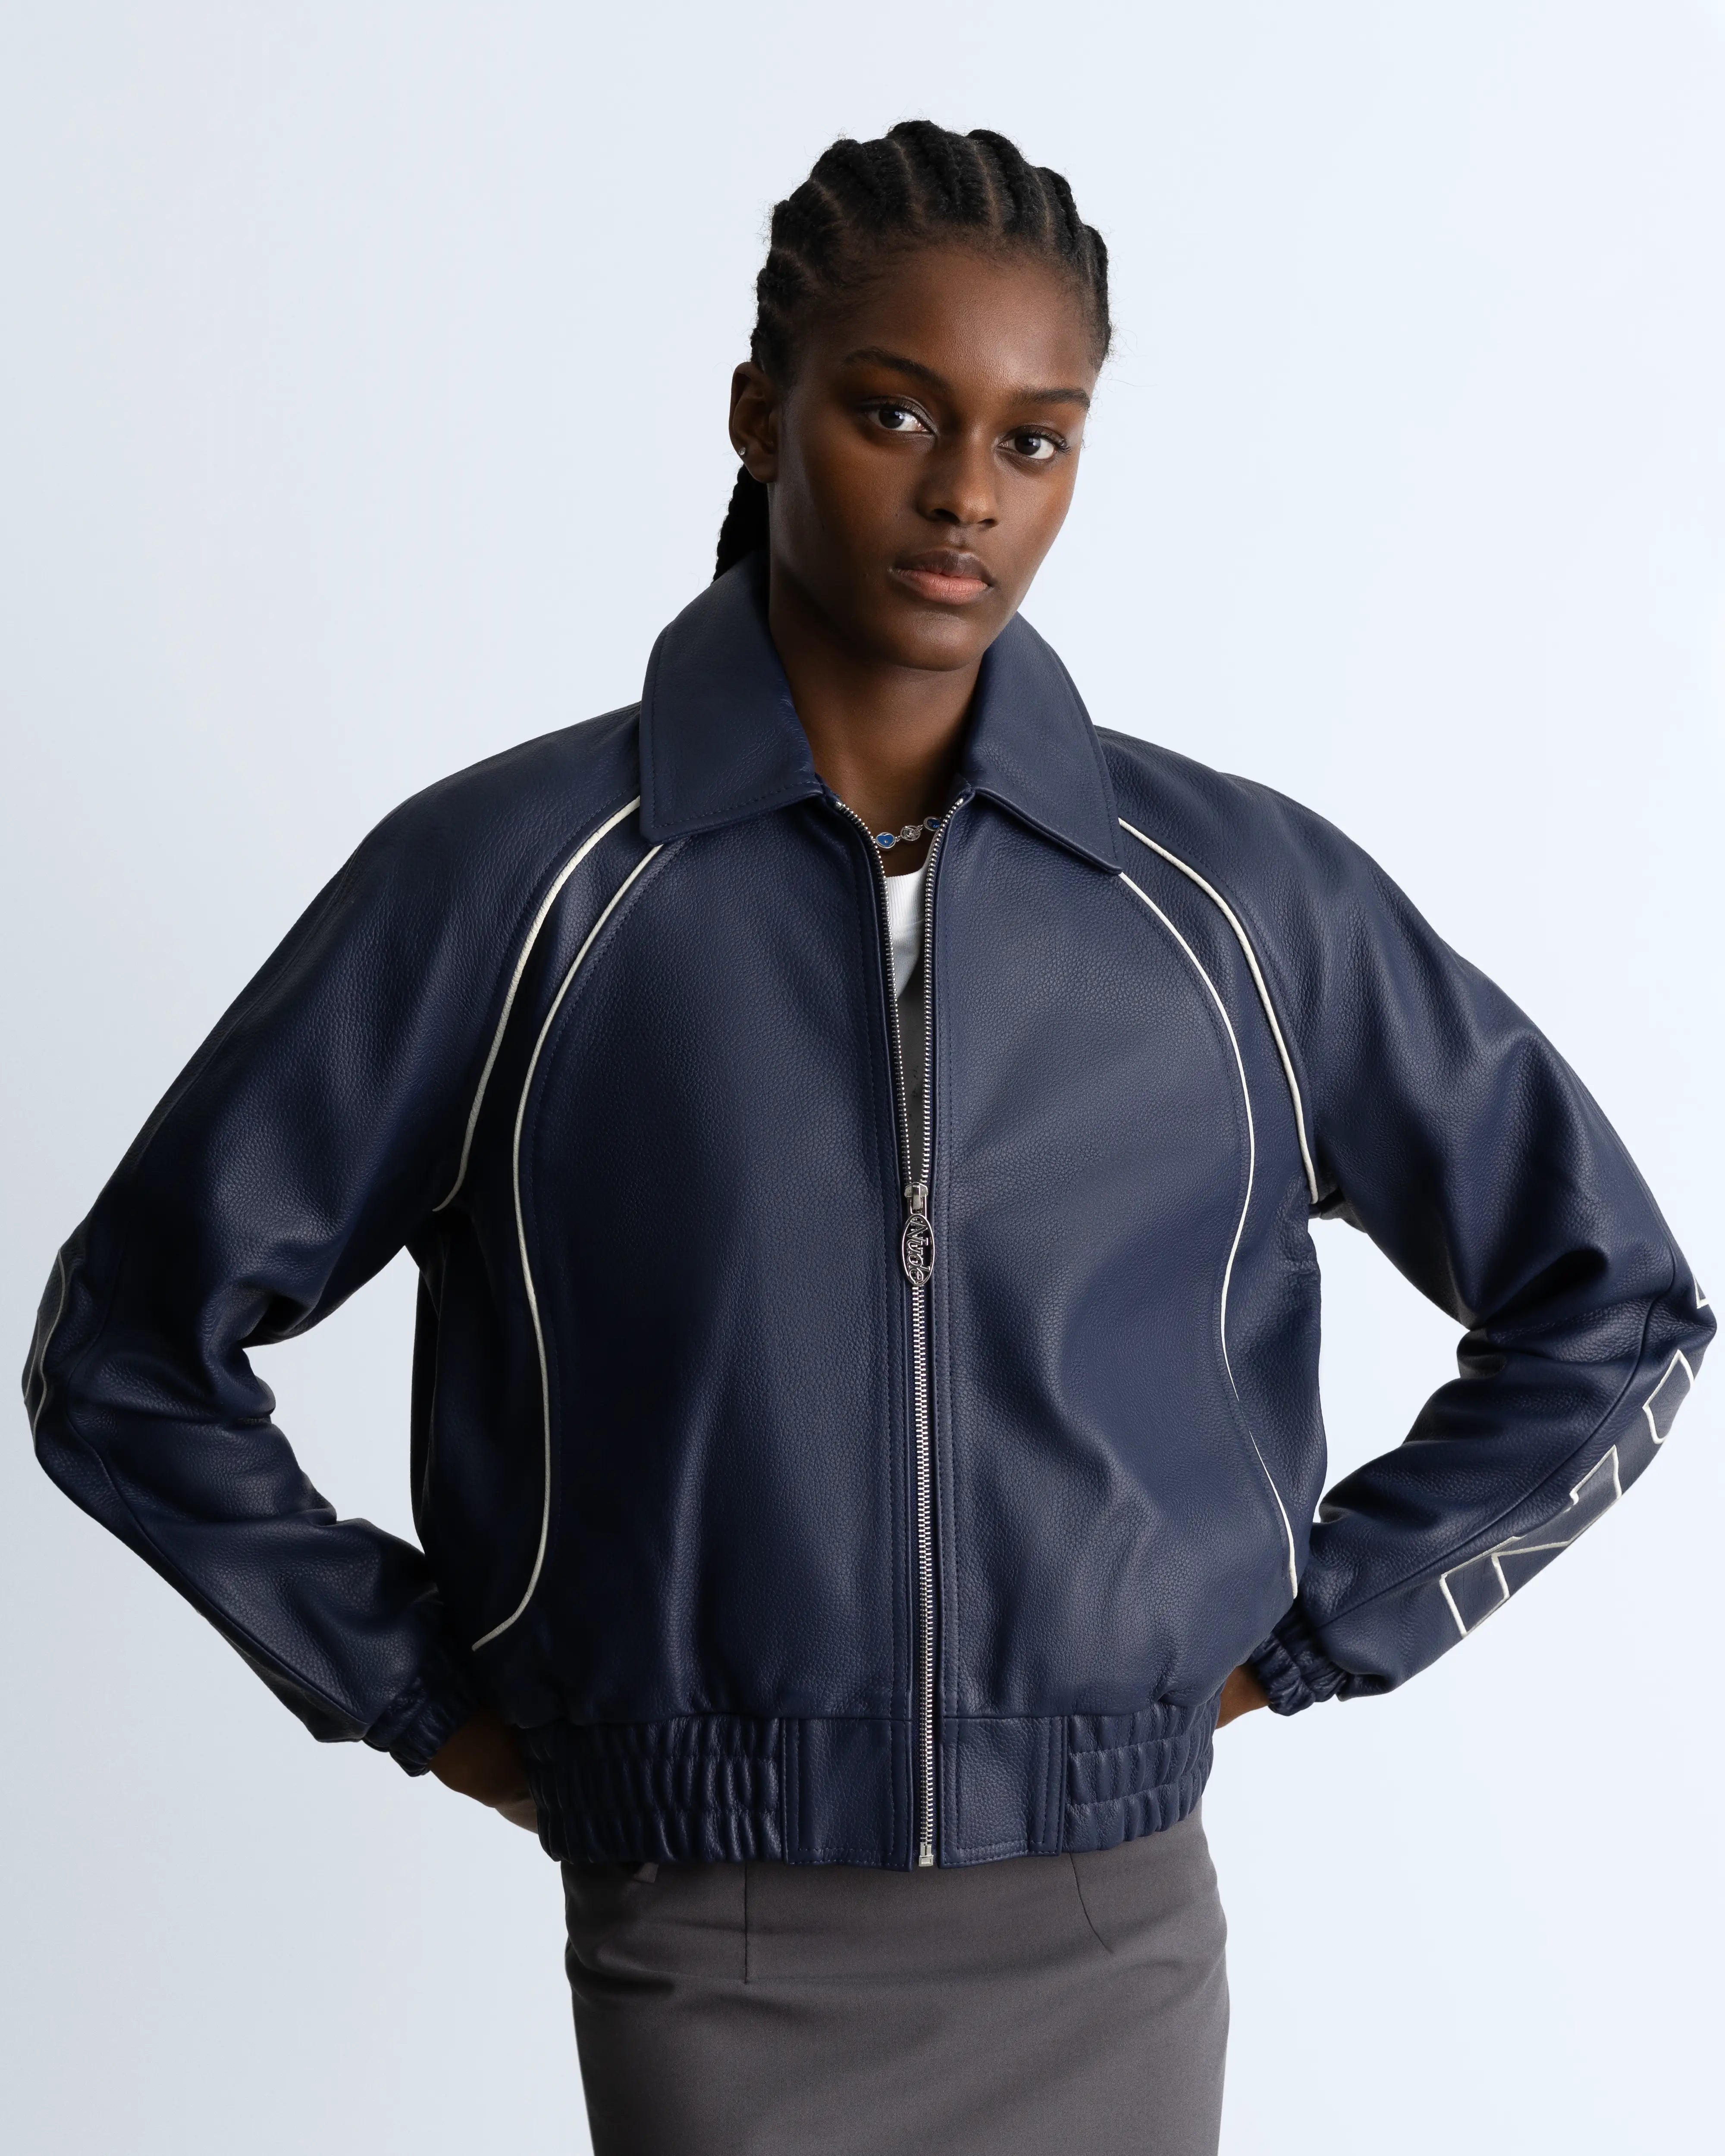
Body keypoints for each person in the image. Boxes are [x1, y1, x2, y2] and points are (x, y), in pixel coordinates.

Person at [24, 119, 1712, 2156]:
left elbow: (1612, 1307)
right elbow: (128, 1349)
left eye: (1033, 440)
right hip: (707, 1920)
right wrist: (417, 1694)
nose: (963, 493)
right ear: (762, 414)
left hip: (1104, 1922)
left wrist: (1306, 1639)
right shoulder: (512, 882)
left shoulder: (1240, 902)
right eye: (896, 412)